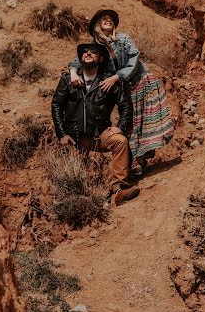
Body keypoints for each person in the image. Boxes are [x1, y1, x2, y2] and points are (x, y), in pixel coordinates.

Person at [69, 9, 174, 176]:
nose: (108, 20)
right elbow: (77, 61)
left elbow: (134, 58)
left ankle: (138, 161)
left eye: (110, 19)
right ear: (97, 24)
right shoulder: (95, 47)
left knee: (140, 122)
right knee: (130, 123)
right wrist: (73, 72)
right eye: (104, 18)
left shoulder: (123, 39)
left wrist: (117, 77)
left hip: (140, 80)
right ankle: (134, 165)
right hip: (124, 87)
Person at [51, 42, 140, 205]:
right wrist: (62, 133)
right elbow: (57, 104)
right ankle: (76, 201)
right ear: (80, 57)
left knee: (120, 141)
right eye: (84, 51)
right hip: (75, 137)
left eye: (93, 51)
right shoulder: (67, 79)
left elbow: (125, 105)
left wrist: (119, 128)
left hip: (100, 134)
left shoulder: (109, 81)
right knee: (71, 175)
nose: (88, 53)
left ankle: (118, 190)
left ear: (100, 58)